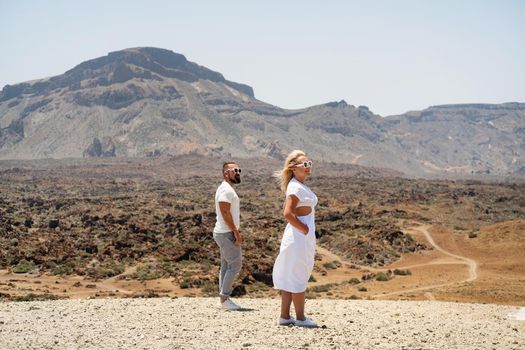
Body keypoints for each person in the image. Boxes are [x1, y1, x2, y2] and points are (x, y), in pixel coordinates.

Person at [272, 150, 318, 327]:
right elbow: (287, 213)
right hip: (298, 237)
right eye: (305, 165)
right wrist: (305, 229)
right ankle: (300, 318)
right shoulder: (295, 187)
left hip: (299, 237)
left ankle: (284, 316)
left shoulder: (298, 185)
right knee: (298, 274)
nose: (308, 168)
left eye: (309, 164)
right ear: (293, 168)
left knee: (291, 274)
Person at [213, 161, 243, 310]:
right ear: (226, 173)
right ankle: (225, 299)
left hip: (223, 232)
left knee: (226, 265)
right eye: (234, 170)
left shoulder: (226, 188)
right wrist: (236, 233)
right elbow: (225, 213)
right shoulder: (226, 190)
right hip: (226, 233)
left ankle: (223, 299)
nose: (237, 172)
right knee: (235, 265)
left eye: (239, 170)